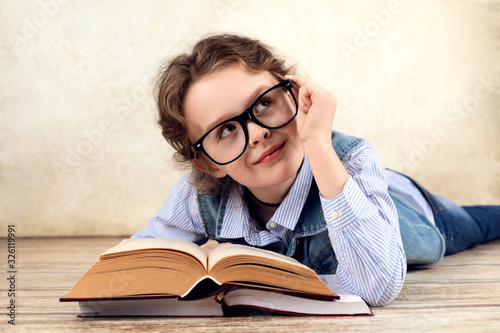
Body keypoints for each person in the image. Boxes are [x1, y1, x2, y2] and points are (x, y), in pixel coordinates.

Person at [132, 34, 500, 306]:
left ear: (293, 92)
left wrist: (319, 145)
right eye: (226, 130)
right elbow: (136, 262)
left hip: (413, 209)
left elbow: (378, 288)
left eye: (263, 104)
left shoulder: (349, 158)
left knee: (480, 223)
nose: (258, 133)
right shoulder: (201, 194)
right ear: (208, 163)